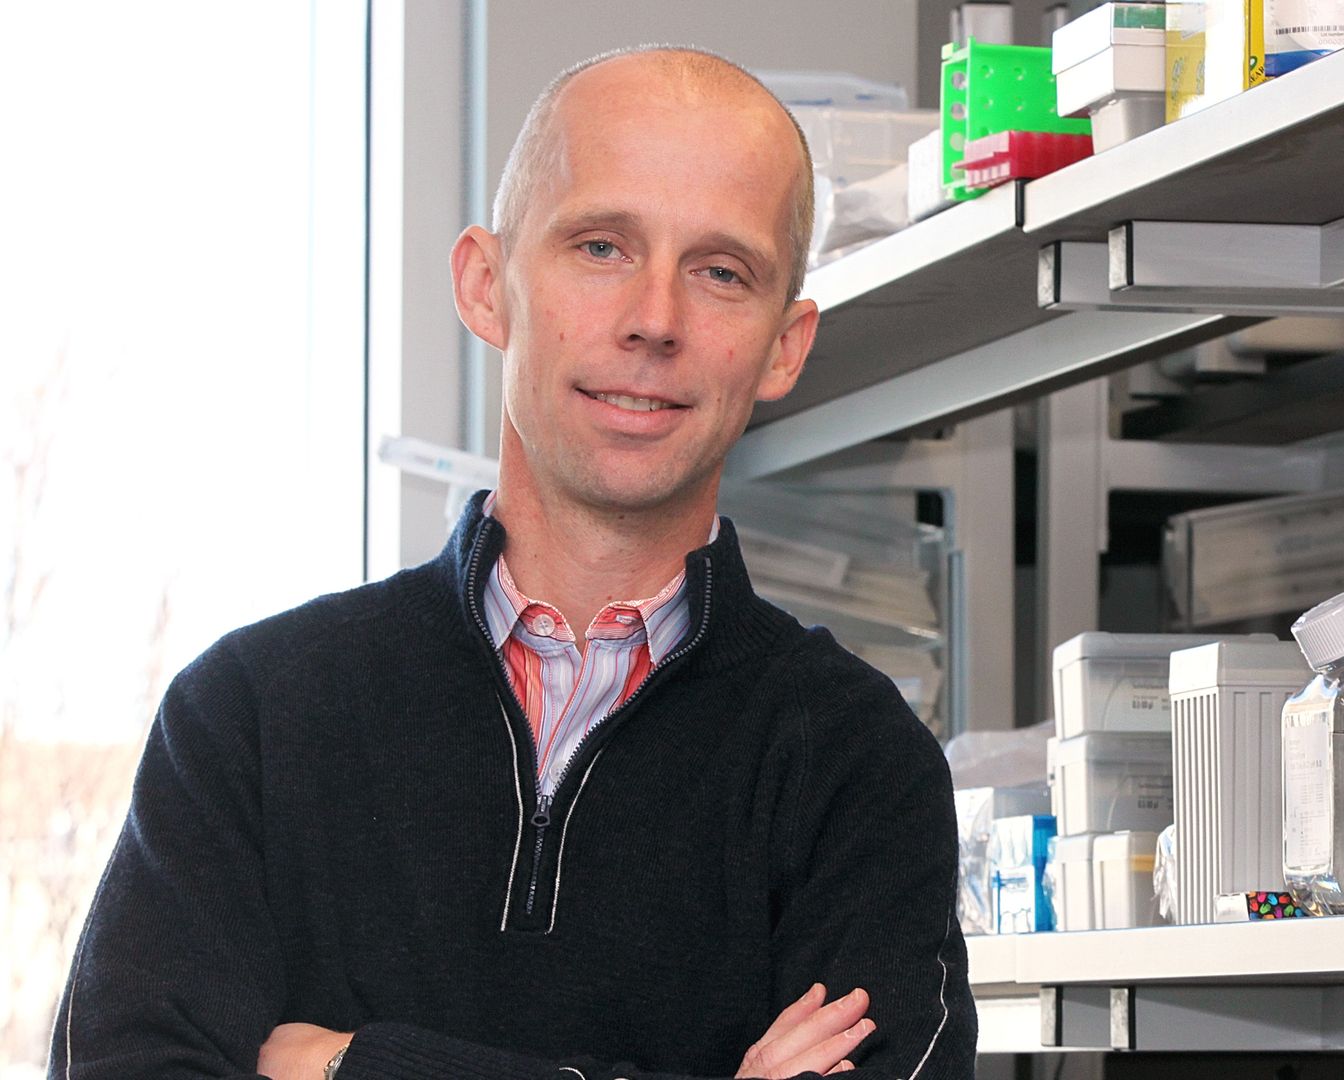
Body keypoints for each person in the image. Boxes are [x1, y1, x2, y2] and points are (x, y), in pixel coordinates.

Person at [52, 46, 976, 1080]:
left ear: (783, 346)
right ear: (486, 286)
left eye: (722, 272)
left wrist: (357, 1067)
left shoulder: (856, 764)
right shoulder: (252, 716)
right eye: (600, 247)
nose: (656, 320)